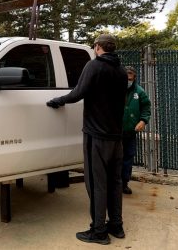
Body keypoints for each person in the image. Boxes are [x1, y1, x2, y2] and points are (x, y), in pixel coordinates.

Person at [47, 34, 128, 245]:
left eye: (95, 46)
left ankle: (99, 231)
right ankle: (116, 226)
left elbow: (77, 93)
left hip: (96, 137)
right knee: (115, 182)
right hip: (116, 138)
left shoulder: (94, 66)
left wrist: (58, 100)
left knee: (96, 184)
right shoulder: (121, 70)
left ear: (98, 47)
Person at [122, 66, 151, 195]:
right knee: (114, 159)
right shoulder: (114, 89)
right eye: (126, 76)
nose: (128, 79)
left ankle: (124, 183)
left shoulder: (139, 92)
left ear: (134, 77)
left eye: (131, 76)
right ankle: (113, 184)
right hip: (115, 132)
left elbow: (146, 107)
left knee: (128, 157)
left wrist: (143, 121)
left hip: (130, 132)